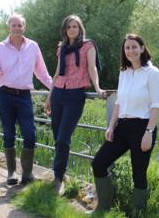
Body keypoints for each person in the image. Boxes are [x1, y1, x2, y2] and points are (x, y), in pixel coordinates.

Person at [91, 34, 159, 215]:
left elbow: (157, 105)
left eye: (134, 47)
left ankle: (137, 212)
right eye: (127, 48)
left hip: (143, 128)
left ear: (142, 48)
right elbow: (119, 103)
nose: (130, 51)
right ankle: (104, 206)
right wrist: (111, 126)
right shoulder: (124, 72)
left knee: (138, 173)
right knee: (99, 163)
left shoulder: (152, 73)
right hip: (122, 127)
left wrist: (149, 132)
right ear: (124, 51)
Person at [0, 13, 53, 185]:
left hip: (24, 96)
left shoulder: (33, 46)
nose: (17, 28)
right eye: (13, 25)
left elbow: (41, 72)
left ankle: (27, 174)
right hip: (5, 94)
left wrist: (54, 88)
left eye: (20, 25)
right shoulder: (0, 47)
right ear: (9, 28)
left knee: (30, 134)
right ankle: (12, 173)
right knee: (8, 134)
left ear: (24, 27)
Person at [45, 14, 105, 194]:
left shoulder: (88, 45)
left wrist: (98, 88)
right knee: (57, 137)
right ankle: (61, 173)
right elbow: (57, 73)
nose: (72, 29)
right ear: (65, 30)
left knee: (63, 138)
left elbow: (92, 68)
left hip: (75, 94)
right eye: (69, 27)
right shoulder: (61, 47)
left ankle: (57, 178)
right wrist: (49, 95)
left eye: (75, 26)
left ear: (80, 29)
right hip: (58, 93)